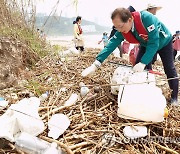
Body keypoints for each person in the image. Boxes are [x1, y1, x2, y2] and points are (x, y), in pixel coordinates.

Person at [81, 8, 179, 106]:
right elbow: (111, 44)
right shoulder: (122, 30)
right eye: (116, 28)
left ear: (129, 19)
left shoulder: (146, 18)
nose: (119, 30)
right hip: (145, 44)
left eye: (120, 26)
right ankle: (144, 93)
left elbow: (154, 42)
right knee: (138, 68)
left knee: (169, 68)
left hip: (164, 42)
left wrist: (143, 62)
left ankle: (174, 98)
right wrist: (96, 64)